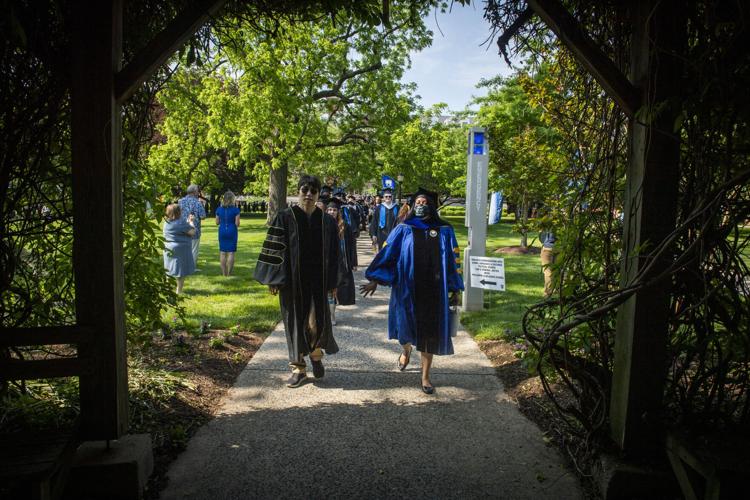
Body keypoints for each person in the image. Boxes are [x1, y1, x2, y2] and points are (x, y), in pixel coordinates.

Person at [360, 188, 464, 394]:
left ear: (432, 206)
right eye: (417, 202)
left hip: (434, 290)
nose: (420, 205)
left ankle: (425, 377)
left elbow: (454, 262)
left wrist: (455, 288)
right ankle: (405, 351)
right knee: (406, 327)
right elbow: (388, 253)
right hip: (406, 288)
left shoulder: (444, 230)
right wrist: (375, 278)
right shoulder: (404, 228)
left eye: (424, 202)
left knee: (430, 333)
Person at [253, 174, 340, 388]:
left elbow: (335, 254)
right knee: (294, 324)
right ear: (298, 192)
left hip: (318, 283)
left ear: (318, 194)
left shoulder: (326, 221)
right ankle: (298, 368)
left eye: (313, 191)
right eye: (304, 190)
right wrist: (274, 279)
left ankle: (316, 356)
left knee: (315, 322)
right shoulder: (285, 217)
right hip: (292, 283)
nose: (308, 194)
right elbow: (274, 250)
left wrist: (334, 283)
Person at [326, 198, 358, 325]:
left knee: (337, 289)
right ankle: (331, 315)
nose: (332, 212)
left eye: (334, 210)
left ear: (338, 212)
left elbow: (351, 245)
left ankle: (332, 314)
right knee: (329, 290)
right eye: (329, 209)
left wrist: (354, 262)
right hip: (327, 263)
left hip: (341, 263)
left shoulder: (345, 227)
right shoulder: (322, 225)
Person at [163, 203, 196, 294]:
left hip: (168, 248)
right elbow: (192, 232)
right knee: (180, 271)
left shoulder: (166, 222)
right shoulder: (181, 222)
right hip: (180, 249)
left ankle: (167, 289)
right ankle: (179, 291)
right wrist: (191, 222)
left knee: (169, 269)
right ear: (178, 212)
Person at [178, 184, 207, 269]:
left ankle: (183, 266)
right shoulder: (197, 202)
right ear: (194, 192)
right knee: (193, 250)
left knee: (184, 249)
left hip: (182, 229)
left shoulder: (180, 201)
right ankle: (191, 268)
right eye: (198, 191)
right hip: (194, 229)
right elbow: (203, 216)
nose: (199, 192)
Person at [216, 190, 241, 276]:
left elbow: (217, 222)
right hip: (232, 230)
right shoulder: (236, 210)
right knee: (231, 252)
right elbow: (237, 224)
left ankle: (224, 273)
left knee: (222, 252)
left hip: (222, 230)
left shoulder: (219, 209)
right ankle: (229, 273)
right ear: (232, 199)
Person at [539, 220, 556, 297]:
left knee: (548, 272)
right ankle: (558, 290)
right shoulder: (564, 220)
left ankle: (547, 293)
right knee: (558, 270)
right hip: (560, 247)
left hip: (547, 247)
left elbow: (542, 238)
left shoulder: (546, 222)